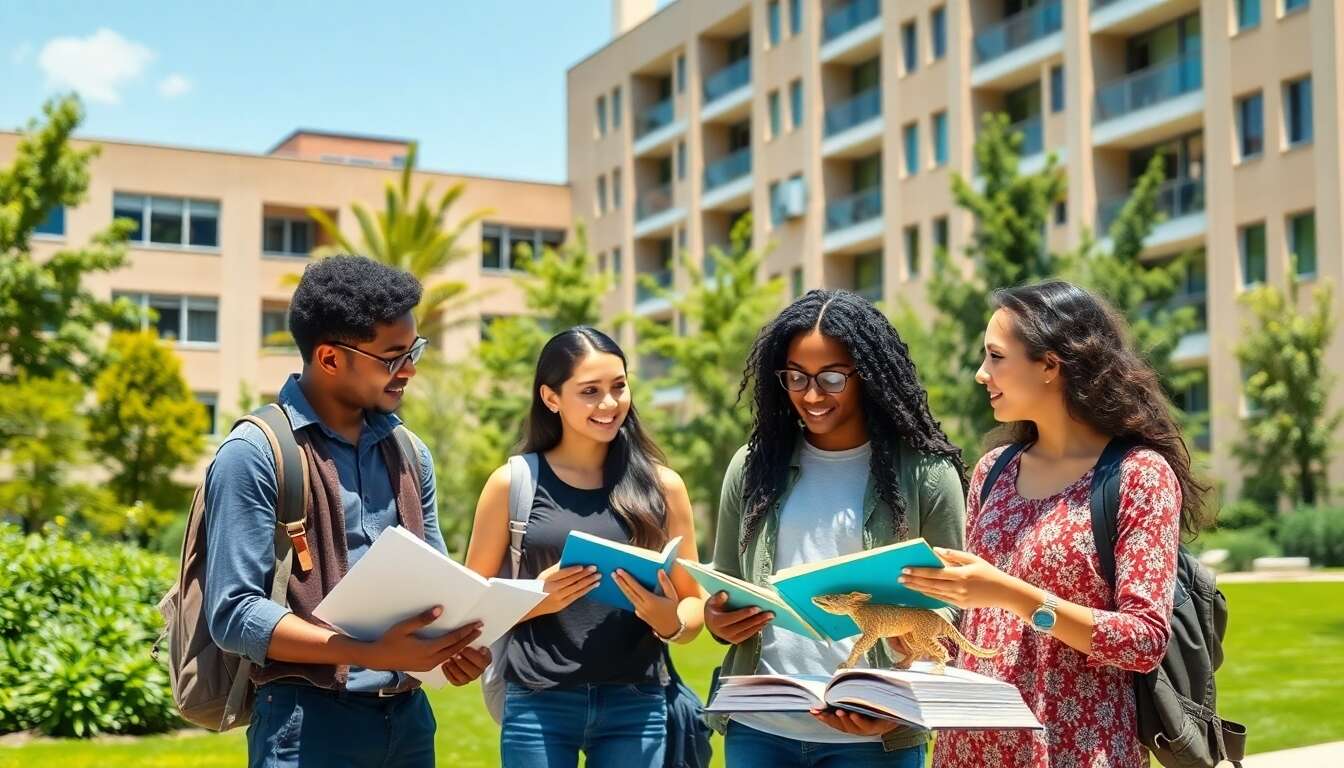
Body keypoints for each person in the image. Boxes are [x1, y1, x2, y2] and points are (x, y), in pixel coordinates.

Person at [901, 280, 1209, 768]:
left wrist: (1012, 595)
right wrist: (915, 639)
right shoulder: (994, 471)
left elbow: (1144, 639)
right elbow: (974, 624)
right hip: (967, 751)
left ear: (1050, 365)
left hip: (1075, 750)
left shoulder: (1138, 475)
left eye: (996, 357)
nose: (981, 374)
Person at [203, 255, 488, 768]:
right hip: (305, 727)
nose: (410, 369)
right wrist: (366, 651)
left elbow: (438, 587)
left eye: (414, 351)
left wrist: (454, 646)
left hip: (408, 722)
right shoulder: (255, 453)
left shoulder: (411, 454)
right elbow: (234, 614)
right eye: (393, 357)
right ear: (331, 359)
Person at [705, 290, 968, 767]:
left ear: (869, 375)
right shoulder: (751, 469)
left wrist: (901, 698)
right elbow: (725, 583)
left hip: (875, 734)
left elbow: (954, 607)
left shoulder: (926, 475)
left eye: (831, 378)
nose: (811, 395)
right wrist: (718, 621)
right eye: (796, 377)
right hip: (760, 727)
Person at [465, 326, 705, 768]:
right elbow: (471, 605)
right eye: (590, 391)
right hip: (538, 702)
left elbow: (694, 603)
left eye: (619, 386)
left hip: (636, 704)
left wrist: (671, 621)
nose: (610, 404)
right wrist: (536, 598)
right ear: (551, 397)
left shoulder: (663, 487)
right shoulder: (511, 484)